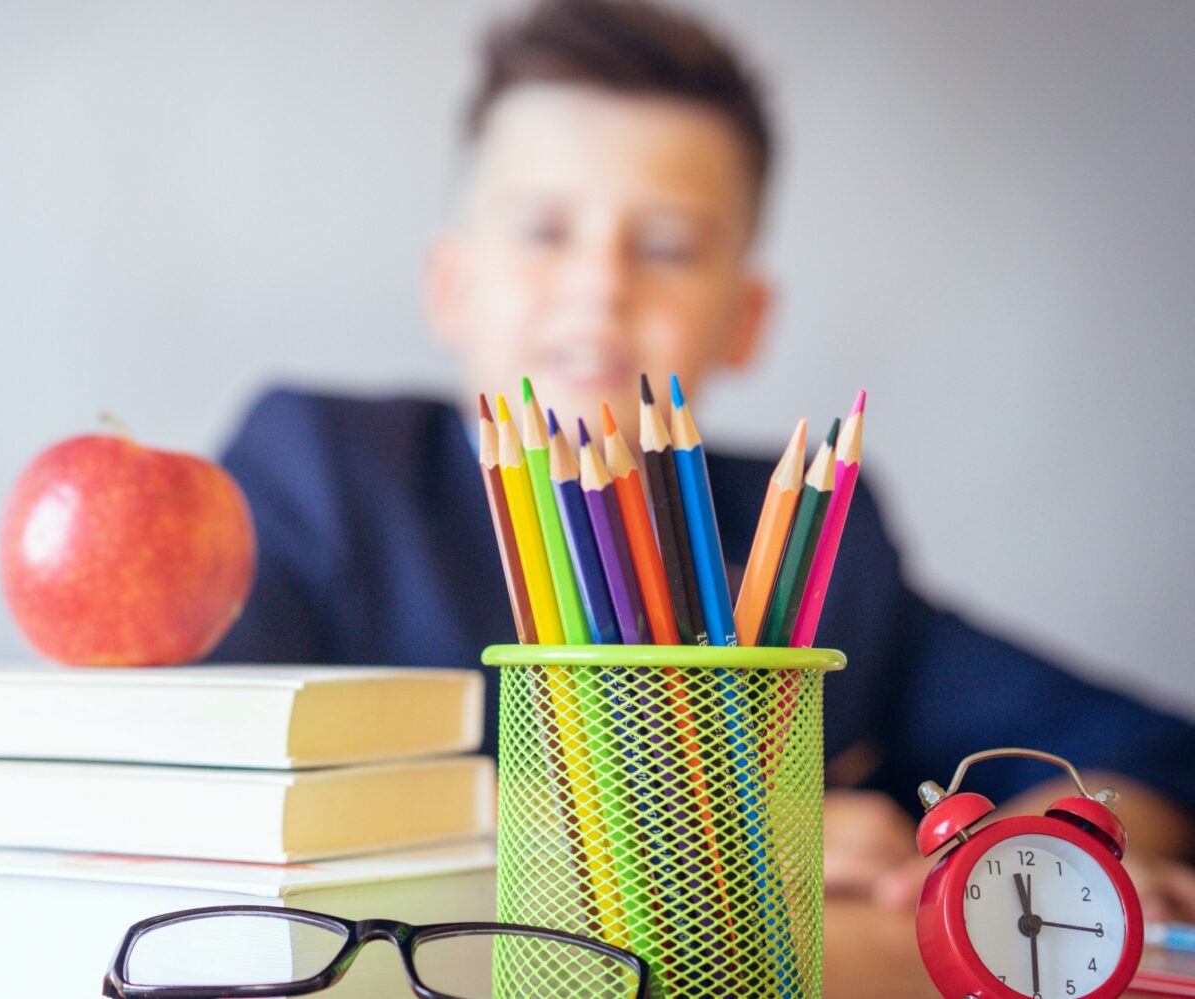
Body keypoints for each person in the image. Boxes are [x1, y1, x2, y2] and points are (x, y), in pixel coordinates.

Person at [205, 0, 1195, 919]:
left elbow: (1142, 751)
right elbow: (205, 772)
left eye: (671, 246)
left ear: (745, 320)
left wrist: (1056, 851)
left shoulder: (811, 534)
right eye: (546, 230)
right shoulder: (321, 469)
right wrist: (719, 845)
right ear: (451, 285)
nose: (600, 284)